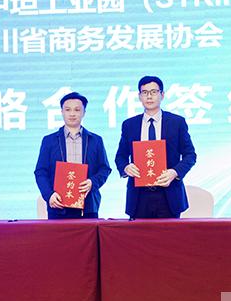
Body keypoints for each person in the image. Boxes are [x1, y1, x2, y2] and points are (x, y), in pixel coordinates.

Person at [115, 76, 197, 219]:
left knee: (169, 234)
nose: (149, 96)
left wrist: (175, 172)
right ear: (139, 96)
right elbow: (120, 156)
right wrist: (126, 168)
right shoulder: (129, 125)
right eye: (145, 92)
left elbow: (190, 155)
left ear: (162, 95)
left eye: (153, 92)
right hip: (139, 196)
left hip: (169, 194)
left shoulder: (177, 122)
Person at [35, 92, 111, 219]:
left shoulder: (95, 140)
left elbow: (104, 169)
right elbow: (40, 172)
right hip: (58, 205)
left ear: (84, 112)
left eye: (77, 110)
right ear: (61, 112)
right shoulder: (49, 141)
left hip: (88, 206)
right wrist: (49, 195)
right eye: (68, 109)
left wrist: (92, 182)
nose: (72, 114)